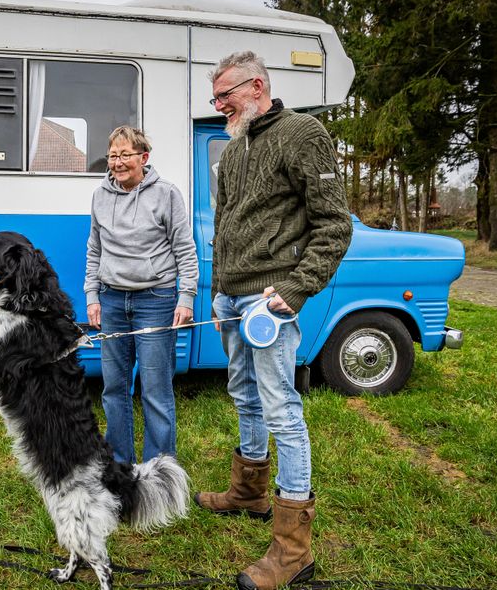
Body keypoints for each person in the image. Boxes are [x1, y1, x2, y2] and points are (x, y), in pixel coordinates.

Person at [196, 51, 352, 590]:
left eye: (224, 97)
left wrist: (294, 289)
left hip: (270, 303)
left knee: (281, 407)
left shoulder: (303, 133)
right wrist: (218, 293)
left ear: (257, 86)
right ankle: (249, 491)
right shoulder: (236, 148)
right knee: (243, 394)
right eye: (214, 99)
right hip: (231, 299)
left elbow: (333, 225)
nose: (218, 107)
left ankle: (293, 549)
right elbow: (227, 223)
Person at [84, 126, 199, 465]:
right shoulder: (100, 195)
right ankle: (120, 464)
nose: (117, 163)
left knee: (155, 390)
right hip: (112, 300)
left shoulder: (167, 194)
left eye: (125, 155)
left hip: (156, 300)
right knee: (113, 389)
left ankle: (160, 469)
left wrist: (186, 296)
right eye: (113, 156)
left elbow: (185, 249)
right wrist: (92, 296)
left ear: (144, 158)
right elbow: (94, 249)